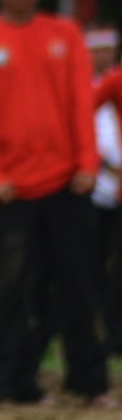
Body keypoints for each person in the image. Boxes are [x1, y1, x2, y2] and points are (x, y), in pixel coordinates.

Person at [0, 0, 112, 412]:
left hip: (68, 184)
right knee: (2, 289)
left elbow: (80, 107)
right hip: (7, 190)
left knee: (79, 286)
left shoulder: (65, 34)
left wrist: (87, 166)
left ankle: (90, 382)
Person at [86, 24, 122, 354]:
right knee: (91, 262)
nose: (103, 55)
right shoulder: (83, 84)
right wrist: (102, 165)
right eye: (96, 48)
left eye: (108, 48)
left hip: (117, 186)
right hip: (94, 184)